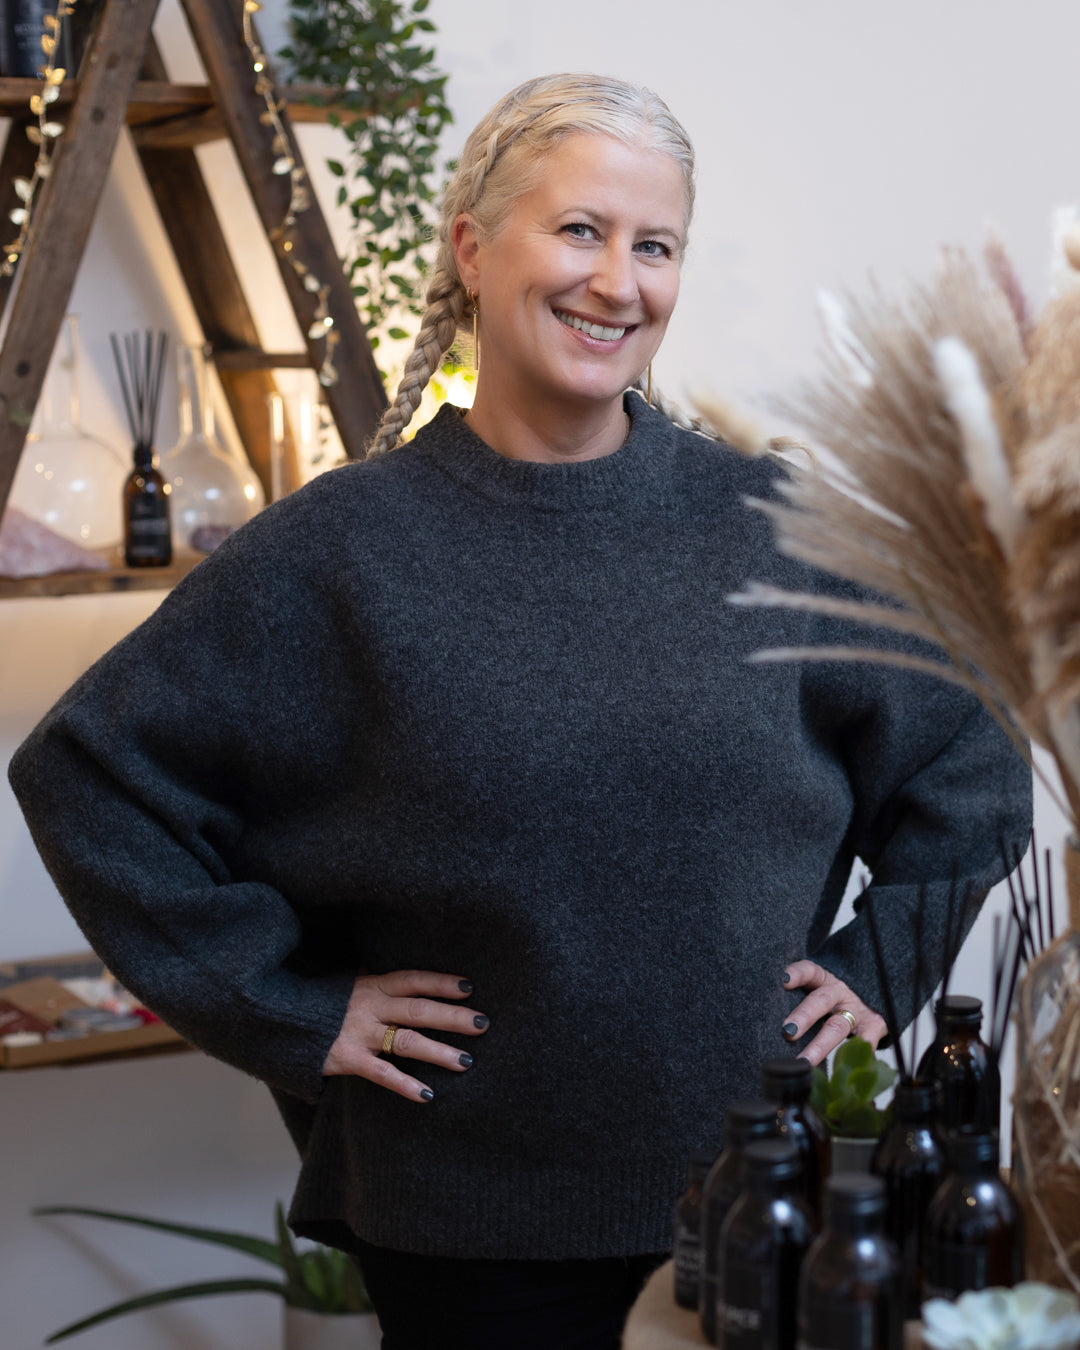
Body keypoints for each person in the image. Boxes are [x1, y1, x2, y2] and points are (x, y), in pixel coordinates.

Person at [9, 73, 1029, 1350]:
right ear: (471, 246)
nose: (619, 282)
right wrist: (295, 1005)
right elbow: (91, 776)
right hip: (464, 1224)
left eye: (655, 246)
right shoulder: (341, 551)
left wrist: (878, 976)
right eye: (581, 231)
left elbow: (970, 770)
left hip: (761, 1200)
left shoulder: (780, 527)